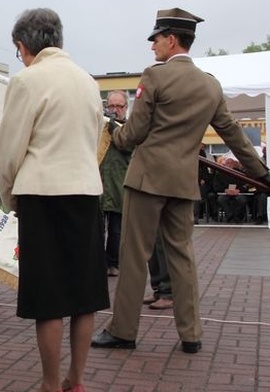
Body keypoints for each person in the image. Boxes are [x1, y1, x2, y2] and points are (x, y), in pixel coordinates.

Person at [91, 8, 270, 355]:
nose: (152, 46)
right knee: (183, 258)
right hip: (183, 183)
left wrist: (115, 131)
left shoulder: (154, 78)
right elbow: (232, 134)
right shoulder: (210, 85)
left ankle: (123, 329)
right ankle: (191, 334)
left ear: (171, 39)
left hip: (146, 180)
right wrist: (261, 172)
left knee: (133, 256)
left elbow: (134, 134)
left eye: (156, 38)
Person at [0, 9, 109, 392]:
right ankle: (75, 380)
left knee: (48, 297)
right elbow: (96, 140)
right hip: (85, 191)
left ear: (23, 46)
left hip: (41, 194)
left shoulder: (27, 80)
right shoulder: (88, 82)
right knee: (83, 294)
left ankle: (48, 383)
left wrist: (9, 195)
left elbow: (10, 149)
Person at [99, 90, 131, 277]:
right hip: (100, 184)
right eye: (111, 106)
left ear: (126, 108)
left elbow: (129, 147)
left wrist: (114, 128)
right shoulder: (100, 127)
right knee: (98, 229)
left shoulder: (129, 128)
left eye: (119, 106)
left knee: (117, 230)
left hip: (120, 184)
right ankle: (99, 263)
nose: (114, 109)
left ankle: (114, 263)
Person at [212, 157, 250, 223]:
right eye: (228, 163)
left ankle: (237, 216)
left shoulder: (240, 173)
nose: (229, 165)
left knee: (242, 200)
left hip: (238, 193)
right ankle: (230, 215)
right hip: (225, 193)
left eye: (231, 163)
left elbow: (245, 185)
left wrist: (239, 190)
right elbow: (216, 186)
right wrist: (225, 190)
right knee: (221, 199)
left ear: (234, 165)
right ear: (225, 164)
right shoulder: (219, 174)